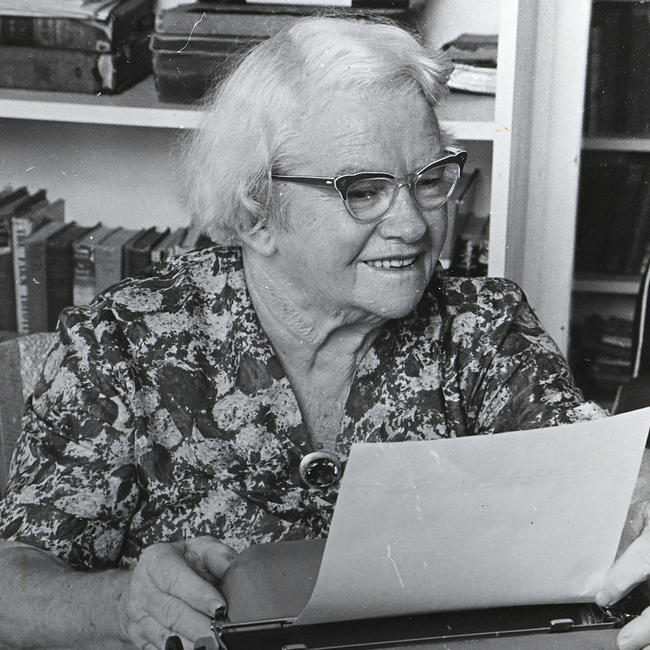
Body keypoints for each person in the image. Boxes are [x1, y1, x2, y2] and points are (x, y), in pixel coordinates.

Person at [0, 14, 634, 650]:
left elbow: (597, 496)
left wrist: (637, 509)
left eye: (430, 178)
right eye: (363, 191)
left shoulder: (482, 329)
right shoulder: (122, 342)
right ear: (256, 212)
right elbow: (13, 592)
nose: (413, 226)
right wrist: (122, 605)